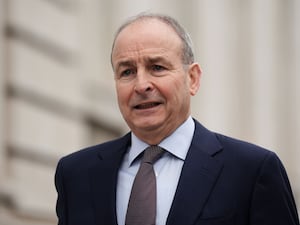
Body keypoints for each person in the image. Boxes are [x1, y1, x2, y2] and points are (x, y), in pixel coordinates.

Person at [55, 13, 299, 225]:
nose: (141, 85)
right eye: (127, 72)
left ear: (192, 78)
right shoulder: (75, 174)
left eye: (157, 67)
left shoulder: (252, 171)